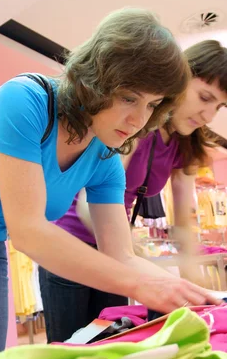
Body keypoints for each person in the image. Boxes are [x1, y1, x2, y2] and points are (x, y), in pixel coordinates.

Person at [0, 8, 220, 354]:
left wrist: (191, 296)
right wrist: (144, 286)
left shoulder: (106, 158)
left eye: (151, 105)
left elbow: (122, 256)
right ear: (98, 78)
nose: (138, 119)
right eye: (129, 97)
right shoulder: (25, 99)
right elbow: (30, 231)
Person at [41, 40, 227, 342]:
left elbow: (183, 229)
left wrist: (199, 300)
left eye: (218, 107)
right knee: (70, 348)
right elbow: (89, 208)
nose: (208, 115)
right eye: (204, 98)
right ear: (178, 80)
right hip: (72, 243)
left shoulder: (186, 146)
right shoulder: (137, 126)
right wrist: (139, 259)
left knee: (108, 343)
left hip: (115, 251)